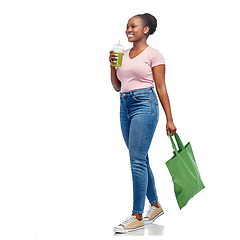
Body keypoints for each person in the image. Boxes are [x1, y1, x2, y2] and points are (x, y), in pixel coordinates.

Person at [109, 13, 177, 233]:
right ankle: (155, 206)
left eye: (133, 26)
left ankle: (137, 215)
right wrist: (112, 66)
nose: (128, 30)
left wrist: (170, 119)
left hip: (145, 105)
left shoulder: (154, 55)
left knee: (137, 159)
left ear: (145, 30)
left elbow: (161, 88)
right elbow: (118, 86)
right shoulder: (123, 54)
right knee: (139, 158)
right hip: (125, 105)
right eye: (127, 27)